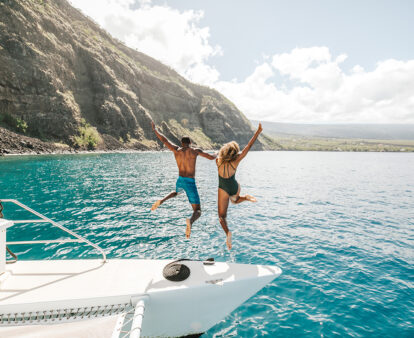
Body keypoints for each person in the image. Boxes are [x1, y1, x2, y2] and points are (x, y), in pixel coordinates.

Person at [150, 121, 216, 238]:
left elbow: (164, 140)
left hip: (180, 179)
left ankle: (162, 200)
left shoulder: (176, 150)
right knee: (198, 211)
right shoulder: (195, 151)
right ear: (190, 143)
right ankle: (190, 222)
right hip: (190, 182)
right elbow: (211, 157)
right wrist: (218, 153)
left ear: (181, 143)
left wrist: (155, 130)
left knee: (177, 192)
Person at [216, 123, 263, 250]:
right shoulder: (236, 161)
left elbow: (217, 155)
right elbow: (248, 146)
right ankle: (246, 197)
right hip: (234, 186)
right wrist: (257, 132)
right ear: (235, 152)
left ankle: (228, 233)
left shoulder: (218, 161)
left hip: (223, 187)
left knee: (221, 217)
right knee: (235, 201)